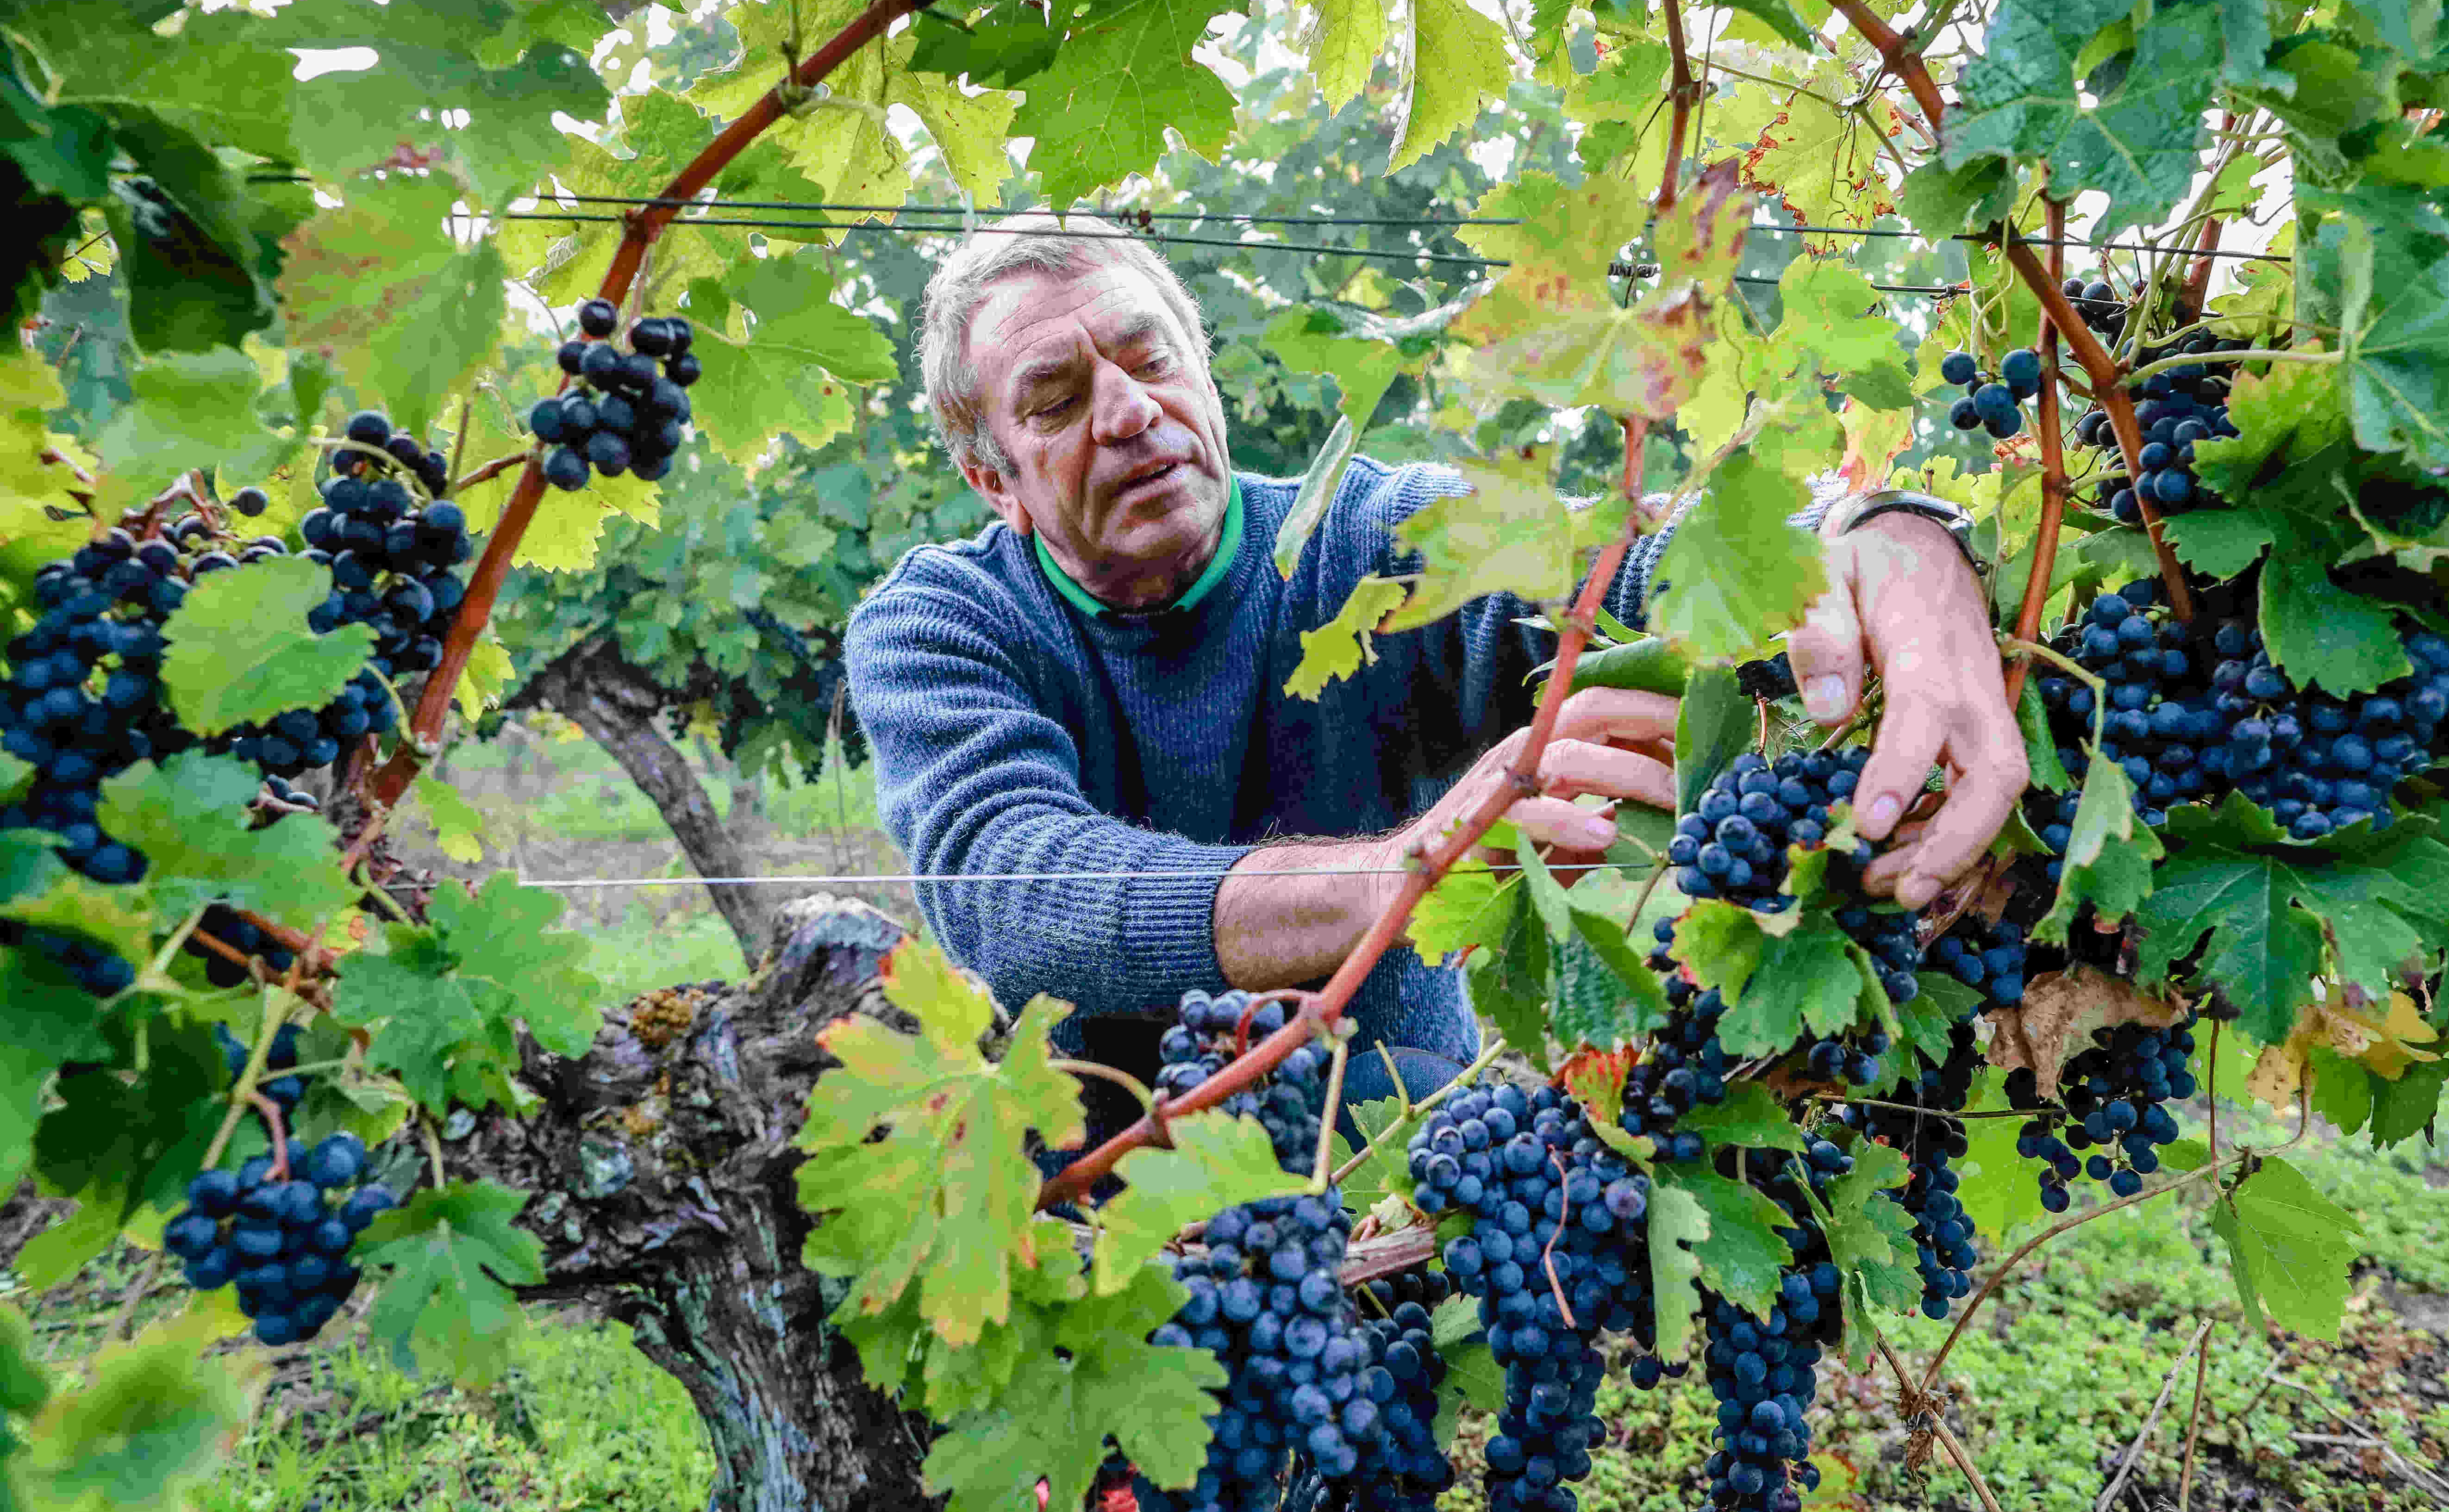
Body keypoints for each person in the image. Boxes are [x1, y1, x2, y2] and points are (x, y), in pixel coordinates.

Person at [843, 215, 2025, 1156]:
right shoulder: (939, 622)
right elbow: (1010, 890)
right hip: (1079, 1188)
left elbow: (1630, 565)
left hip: (1380, 1162)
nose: (1129, 410)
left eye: (1150, 358)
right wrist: (1399, 871)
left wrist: (1884, 538)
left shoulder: (1367, 539)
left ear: (1200, 372)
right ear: (991, 477)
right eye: (1055, 401)